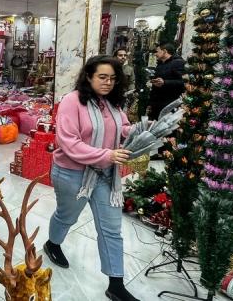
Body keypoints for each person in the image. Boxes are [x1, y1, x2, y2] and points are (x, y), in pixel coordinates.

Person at [42, 55, 140, 301]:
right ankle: (52, 244)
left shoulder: (113, 103)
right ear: (89, 76)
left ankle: (115, 284)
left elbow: (122, 128)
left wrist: (141, 131)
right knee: (67, 216)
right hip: (72, 173)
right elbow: (69, 142)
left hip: (106, 176)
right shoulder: (71, 102)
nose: (108, 83)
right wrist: (107, 154)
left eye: (113, 79)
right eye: (102, 77)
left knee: (111, 229)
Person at [149, 42, 185, 119]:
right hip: (157, 103)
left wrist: (165, 82)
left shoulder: (178, 63)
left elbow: (183, 82)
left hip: (169, 104)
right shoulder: (161, 64)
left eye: (157, 51)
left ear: (164, 51)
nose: (155, 54)